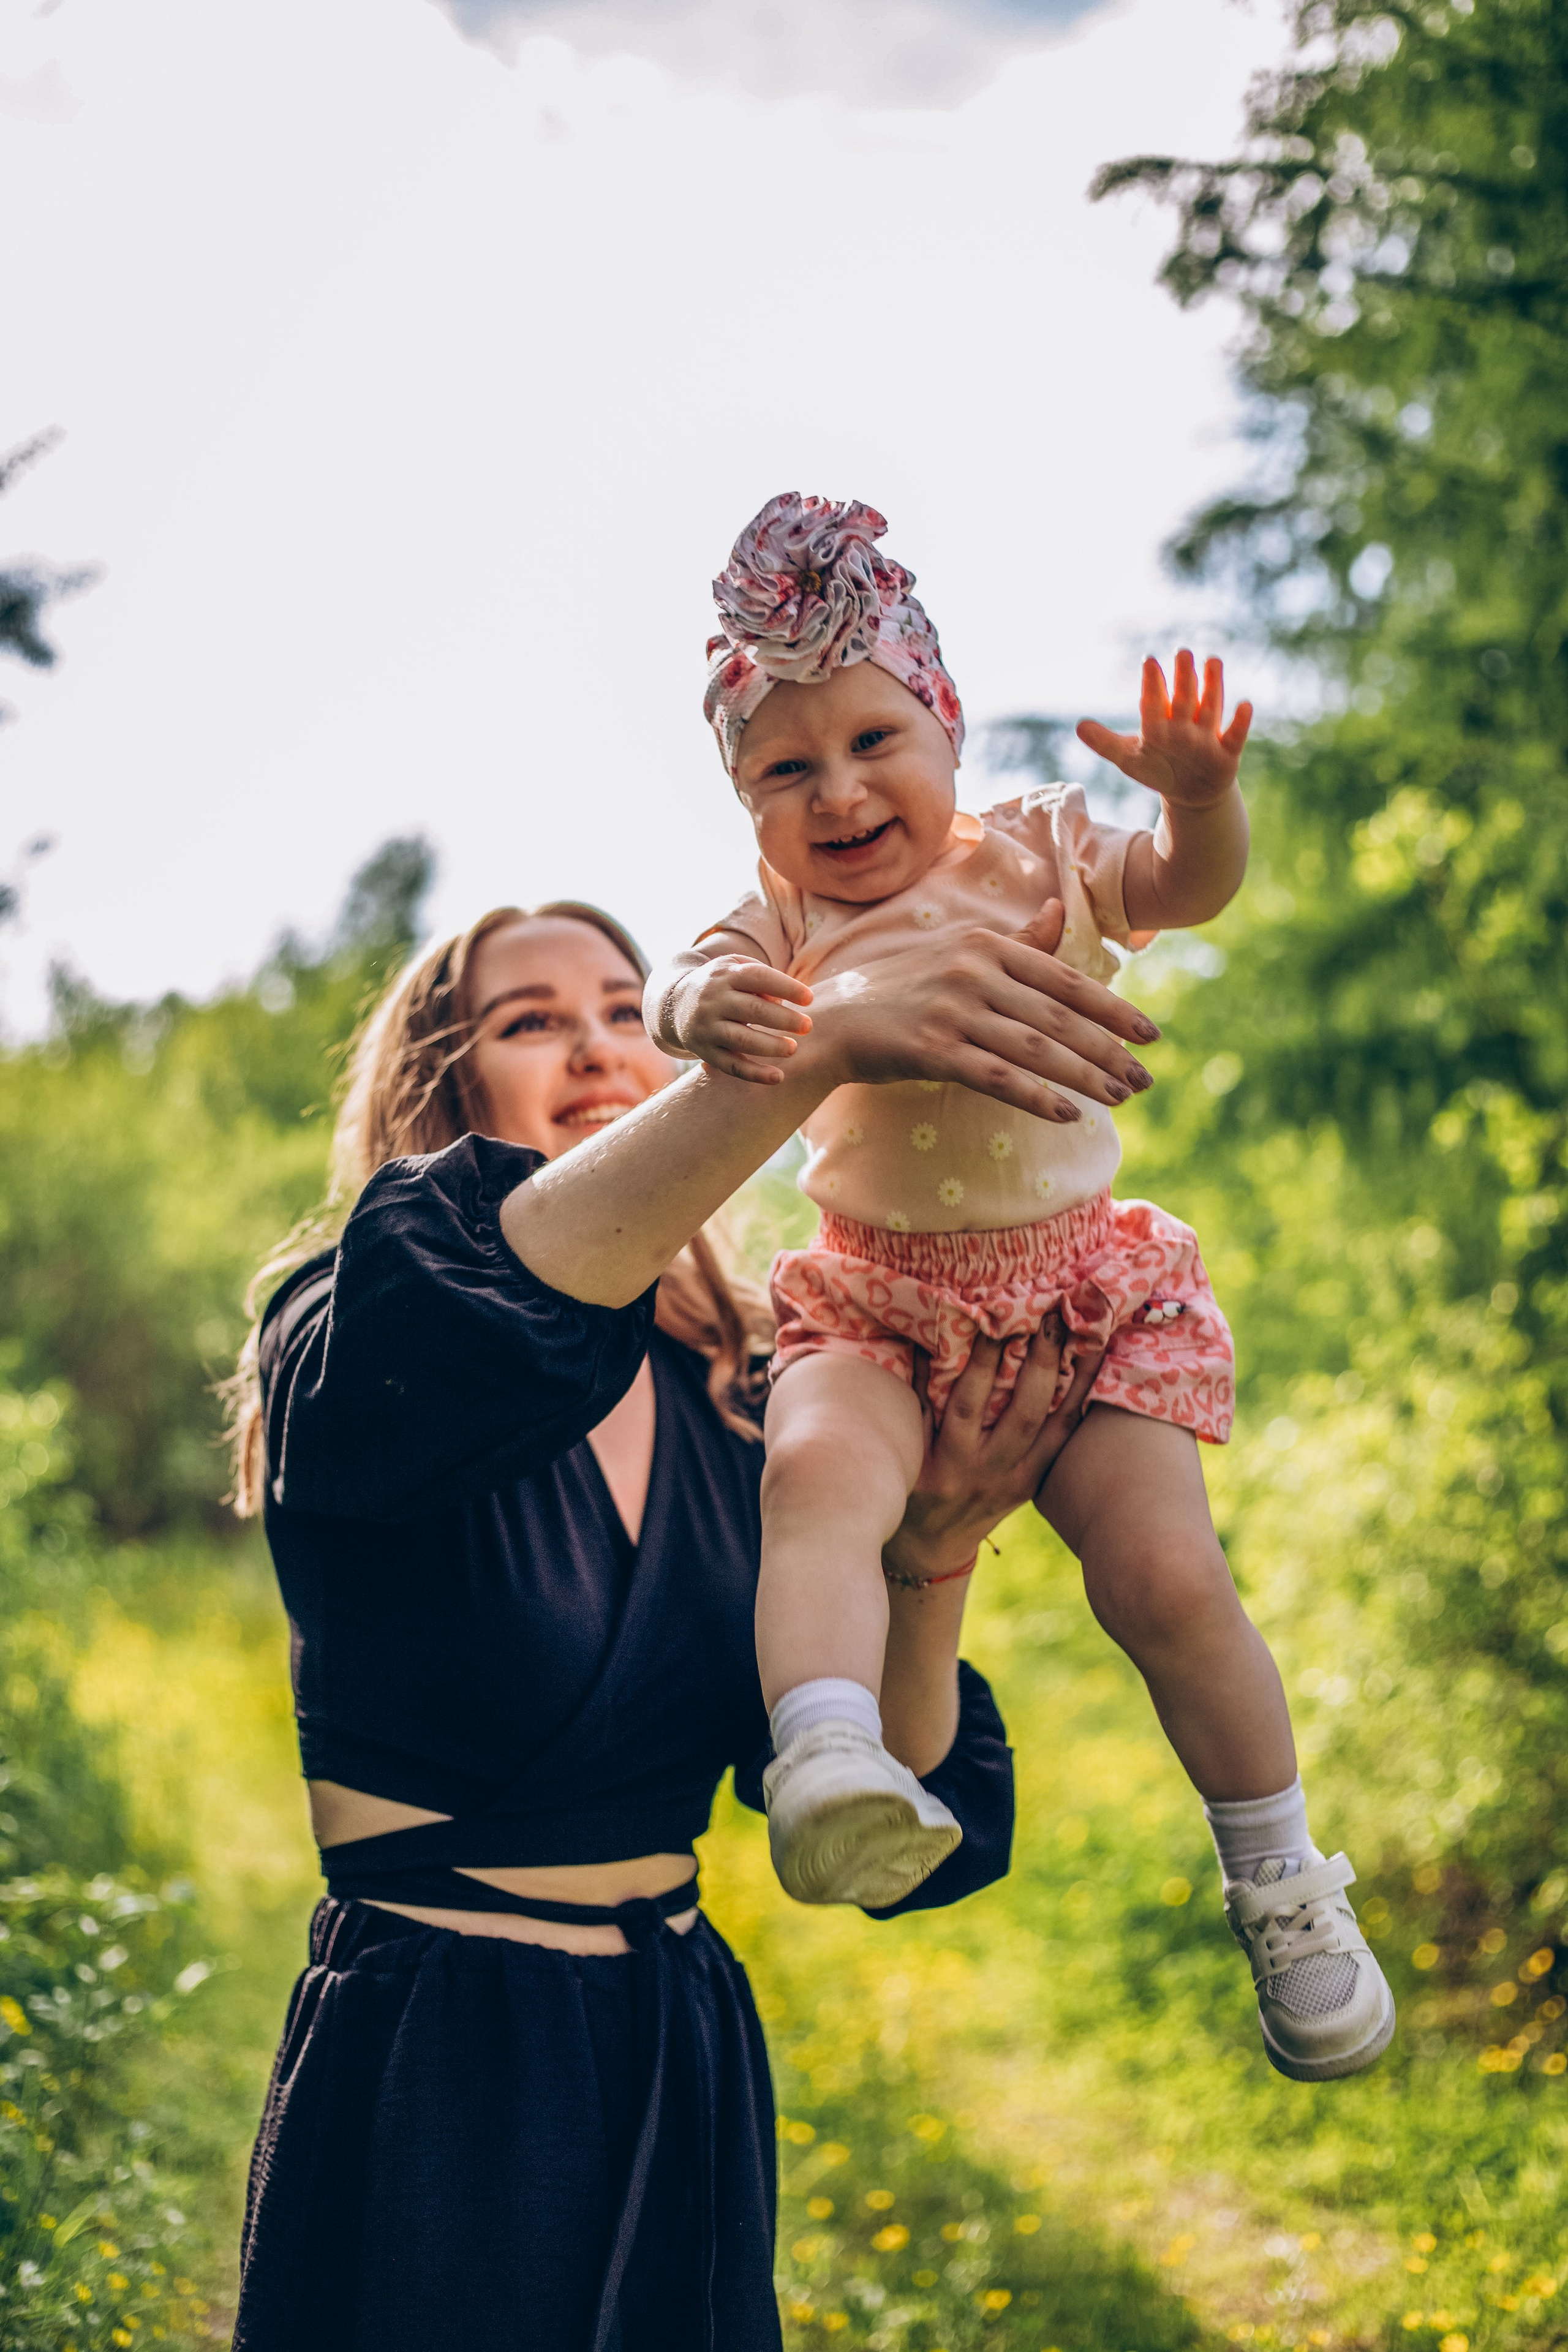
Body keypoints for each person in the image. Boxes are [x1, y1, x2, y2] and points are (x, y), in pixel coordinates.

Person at [224, 890, 1155, 2351]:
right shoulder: (351, 1329)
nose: (596, 1045)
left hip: (677, 2053)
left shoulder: (759, 1404)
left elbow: (898, 1818)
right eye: (529, 1021)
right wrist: (815, 1046)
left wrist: (930, 1555)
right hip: (441, 2059)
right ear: (441, 1089)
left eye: (622, 1008)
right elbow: (487, 1304)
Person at [647, 490, 1395, 2085]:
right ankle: (829, 1752)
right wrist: (700, 1010)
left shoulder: (1041, 848)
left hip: (1083, 1294)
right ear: (744, 801)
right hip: (875, 1303)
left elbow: (1183, 889)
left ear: (949, 727)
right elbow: (682, 976)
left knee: (1164, 1578)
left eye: (874, 740)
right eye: (784, 769)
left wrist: (1200, 801)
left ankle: (1281, 1882)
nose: (839, 791)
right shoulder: (781, 917)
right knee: (814, 1482)